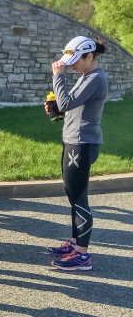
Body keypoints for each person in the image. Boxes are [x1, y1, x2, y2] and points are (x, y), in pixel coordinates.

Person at [45, 36, 107, 271]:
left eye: (75, 60)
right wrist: (56, 111)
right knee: (73, 196)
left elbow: (67, 101)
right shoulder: (86, 77)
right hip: (73, 141)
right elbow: (70, 107)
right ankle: (74, 244)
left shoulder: (96, 78)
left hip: (82, 144)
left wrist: (58, 77)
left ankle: (82, 255)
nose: (71, 65)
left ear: (89, 56)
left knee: (79, 197)